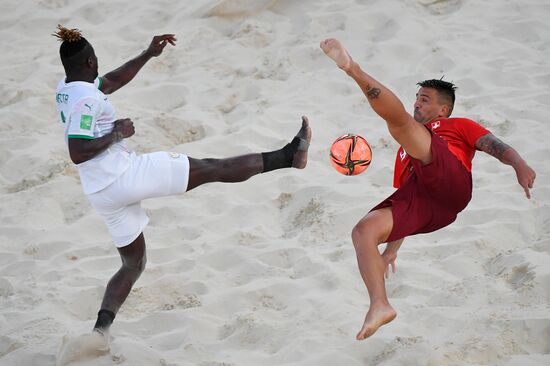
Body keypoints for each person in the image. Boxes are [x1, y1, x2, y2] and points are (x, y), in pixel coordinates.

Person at [53, 25, 312, 336]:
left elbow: (110, 82)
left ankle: (99, 332)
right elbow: (77, 152)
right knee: (209, 168)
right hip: (124, 175)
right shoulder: (86, 101)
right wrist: (118, 133)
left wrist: (148, 54)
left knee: (133, 264)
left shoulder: (67, 88)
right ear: (91, 61)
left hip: (100, 192)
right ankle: (289, 156)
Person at [320, 38, 536, 340]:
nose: (418, 102)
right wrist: (391, 249)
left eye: (425, 99)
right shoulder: (404, 153)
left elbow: (495, 146)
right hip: (433, 208)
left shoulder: (456, 125)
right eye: (417, 97)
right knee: (363, 232)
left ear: (443, 109)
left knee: (399, 124)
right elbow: (408, 206)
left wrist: (518, 164)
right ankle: (380, 305)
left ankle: (352, 68)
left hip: (452, 182)